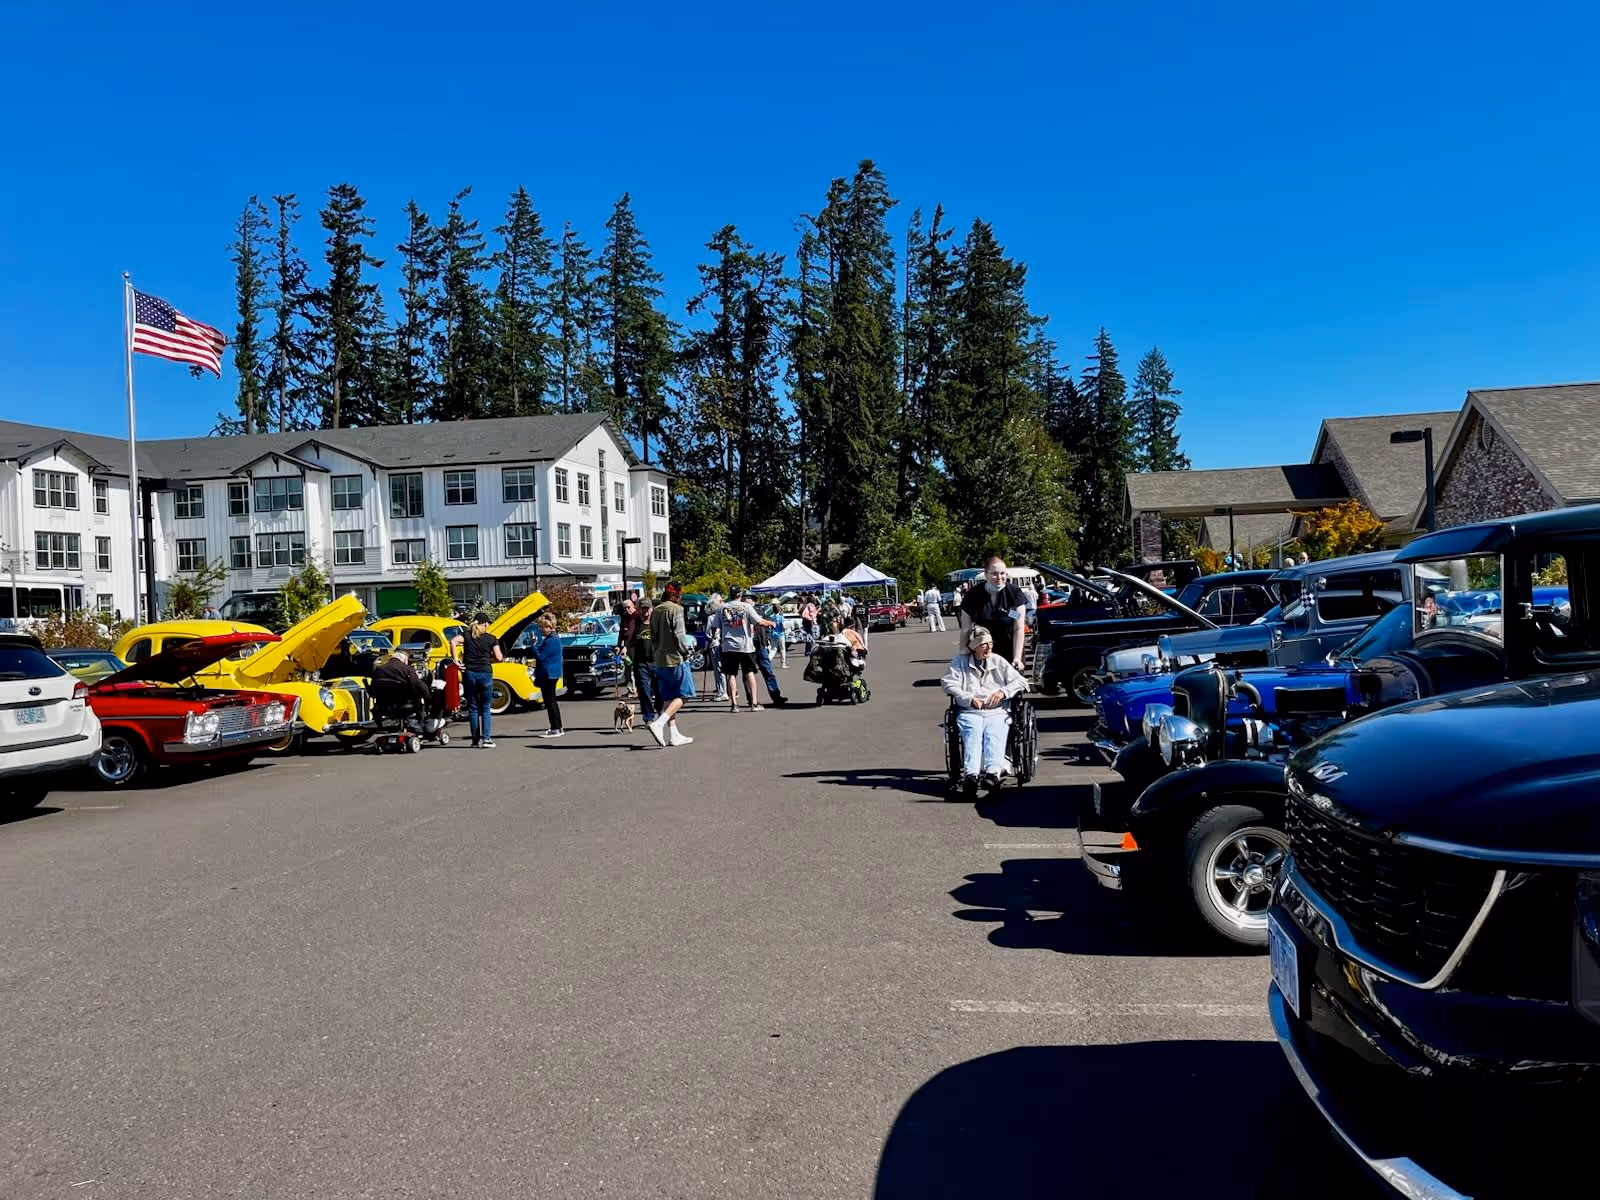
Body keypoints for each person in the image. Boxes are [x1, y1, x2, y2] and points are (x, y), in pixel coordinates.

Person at [941, 625, 1028, 801]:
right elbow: (948, 683)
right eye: (983, 644)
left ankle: (992, 774)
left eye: (989, 643)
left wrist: (1003, 692)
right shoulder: (960, 661)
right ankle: (971, 776)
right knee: (972, 735)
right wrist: (968, 697)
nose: (988, 647)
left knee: (994, 734)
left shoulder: (998, 661)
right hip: (970, 711)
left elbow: (1020, 682)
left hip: (997, 711)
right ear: (973, 647)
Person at [647, 582, 697, 747]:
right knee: (684, 695)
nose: (681, 597)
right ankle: (659, 723)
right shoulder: (676, 610)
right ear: (674, 595)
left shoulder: (656, 611)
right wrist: (686, 652)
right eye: (680, 594)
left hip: (660, 660)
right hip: (675, 659)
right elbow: (679, 635)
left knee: (668, 697)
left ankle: (674, 734)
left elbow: (652, 636)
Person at [959, 556, 1028, 670]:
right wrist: (963, 651)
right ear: (986, 575)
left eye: (1002, 573)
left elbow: (1019, 628)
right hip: (983, 651)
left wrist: (1017, 658)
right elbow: (966, 628)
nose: (999, 577)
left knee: (1013, 685)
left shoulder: (1014, 593)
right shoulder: (973, 595)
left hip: (1010, 650)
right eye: (994, 574)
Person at [715, 589, 773, 712]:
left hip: (728, 645)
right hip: (745, 645)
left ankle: (734, 705)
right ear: (740, 595)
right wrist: (771, 623)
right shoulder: (746, 606)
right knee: (749, 672)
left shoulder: (722, 608)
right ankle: (754, 703)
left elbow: (716, 625)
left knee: (731, 674)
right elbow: (759, 621)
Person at [458, 611, 504, 748]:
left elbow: (453, 641)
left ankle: (474, 740)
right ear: (484, 624)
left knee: (473, 707)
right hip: (485, 673)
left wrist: (456, 660)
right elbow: (499, 657)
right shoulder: (491, 639)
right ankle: (486, 739)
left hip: (470, 673)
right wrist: (492, 658)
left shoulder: (466, 635)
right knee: (485, 707)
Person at [532, 609, 566, 738]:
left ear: (548, 627)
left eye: (542, 627)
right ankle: (557, 727)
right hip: (553, 672)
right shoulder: (553, 638)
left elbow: (541, 657)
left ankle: (556, 728)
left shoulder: (551, 640)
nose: (540, 629)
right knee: (551, 701)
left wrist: (533, 645)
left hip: (549, 673)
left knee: (550, 701)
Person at [630, 601, 660, 724]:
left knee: (659, 690)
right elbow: (629, 641)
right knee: (643, 689)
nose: (646, 611)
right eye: (643, 608)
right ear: (639, 609)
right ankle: (648, 716)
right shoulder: (636, 624)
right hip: (640, 663)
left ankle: (659, 710)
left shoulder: (656, 625)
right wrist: (624, 649)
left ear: (652, 609)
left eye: (648, 608)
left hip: (656, 662)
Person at [705, 593, 728, 702]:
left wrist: (706, 647)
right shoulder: (723, 615)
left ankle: (722, 692)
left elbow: (708, 634)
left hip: (715, 644)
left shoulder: (711, 618)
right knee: (723, 668)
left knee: (718, 670)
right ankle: (725, 691)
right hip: (723, 643)